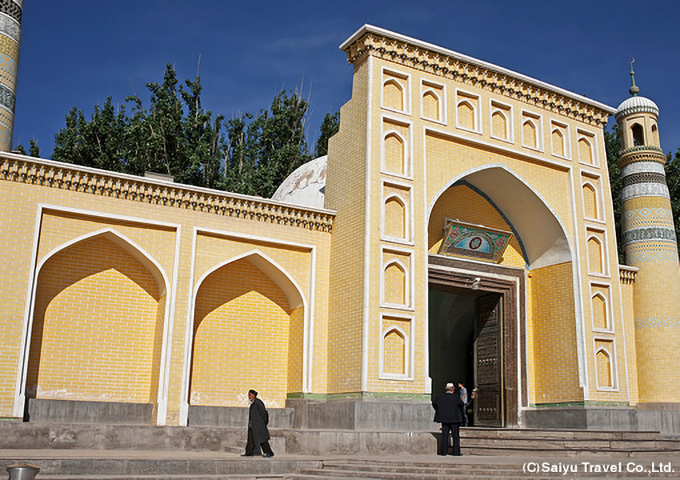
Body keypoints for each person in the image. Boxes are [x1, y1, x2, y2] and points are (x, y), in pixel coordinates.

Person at [432, 382, 465, 456]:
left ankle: (444, 452)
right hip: (454, 419)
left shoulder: (440, 397)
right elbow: (461, 405)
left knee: (445, 435)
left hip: (444, 419)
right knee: (455, 436)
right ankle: (456, 452)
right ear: (452, 390)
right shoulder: (456, 397)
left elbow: (434, 403)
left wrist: (440, 411)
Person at [242, 389, 274, 458]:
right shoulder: (252, 404)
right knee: (250, 439)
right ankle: (249, 452)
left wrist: (263, 423)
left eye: (250, 395)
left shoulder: (258, 403)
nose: (249, 396)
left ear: (254, 395)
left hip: (259, 425)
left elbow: (264, 413)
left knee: (262, 439)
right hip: (252, 425)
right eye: (248, 395)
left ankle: (269, 452)